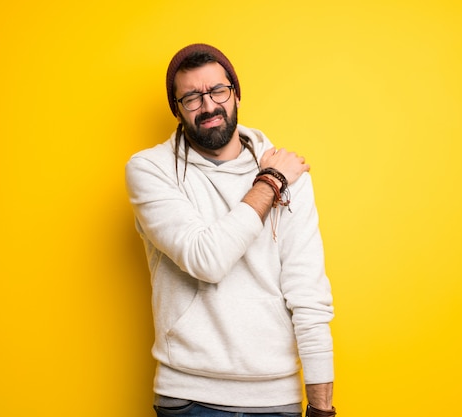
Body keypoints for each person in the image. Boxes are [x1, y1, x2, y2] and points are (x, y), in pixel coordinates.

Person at [125, 43, 336, 417]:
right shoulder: (150, 169)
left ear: (236, 93)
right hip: (190, 398)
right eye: (191, 97)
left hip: (276, 399)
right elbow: (207, 259)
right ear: (177, 109)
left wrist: (321, 408)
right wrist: (270, 183)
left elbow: (308, 294)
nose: (208, 106)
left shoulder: (292, 175)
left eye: (217, 91)